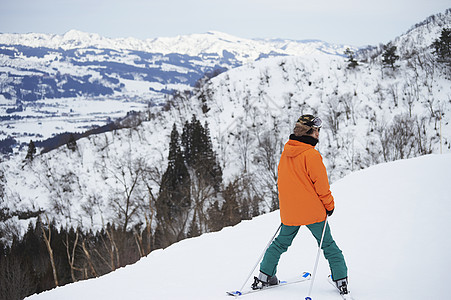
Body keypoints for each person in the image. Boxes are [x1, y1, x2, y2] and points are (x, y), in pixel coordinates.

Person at [251, 114, 349, 295]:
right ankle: (341, 279)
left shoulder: (286, 153)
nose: (318, 133)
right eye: (316, 130)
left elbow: (283, 183)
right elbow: (322, 186)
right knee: (328, 245)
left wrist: (287, 207)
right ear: (309, 132)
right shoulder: (311, 155)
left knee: (280, 244)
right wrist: (330, 206)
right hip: (313, 213)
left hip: (291, 213)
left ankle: (265, 276)